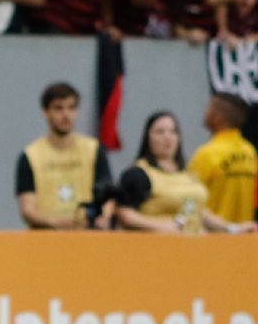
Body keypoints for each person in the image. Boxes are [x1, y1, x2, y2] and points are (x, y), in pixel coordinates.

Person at [117, 111, 254, 233]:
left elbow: (199, 212)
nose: (168, 137)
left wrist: (233, 228)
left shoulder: (189, 173)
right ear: (148, 137)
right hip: (157, 248)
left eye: (173, 131)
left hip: (195, 249)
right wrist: (162, 226)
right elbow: (125, 215)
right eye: (160, 132)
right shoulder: (138, 174)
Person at [15, 82, 115, 230]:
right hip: (46, 238)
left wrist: (104, 217)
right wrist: (56, 222)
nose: (66, 115)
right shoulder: (30, 155)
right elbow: (27, 209)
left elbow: (108, 196)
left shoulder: (93, 149)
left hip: (87, 236)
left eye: (71, 108)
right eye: (58, 108)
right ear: (45, 111)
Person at [189, 93, 257, 224]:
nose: (205, 112)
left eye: (209, 108)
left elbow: (189, 200)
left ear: (219, 117)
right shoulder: (250, 152)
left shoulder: (206, 154)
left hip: (215, 238)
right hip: (246, 238)